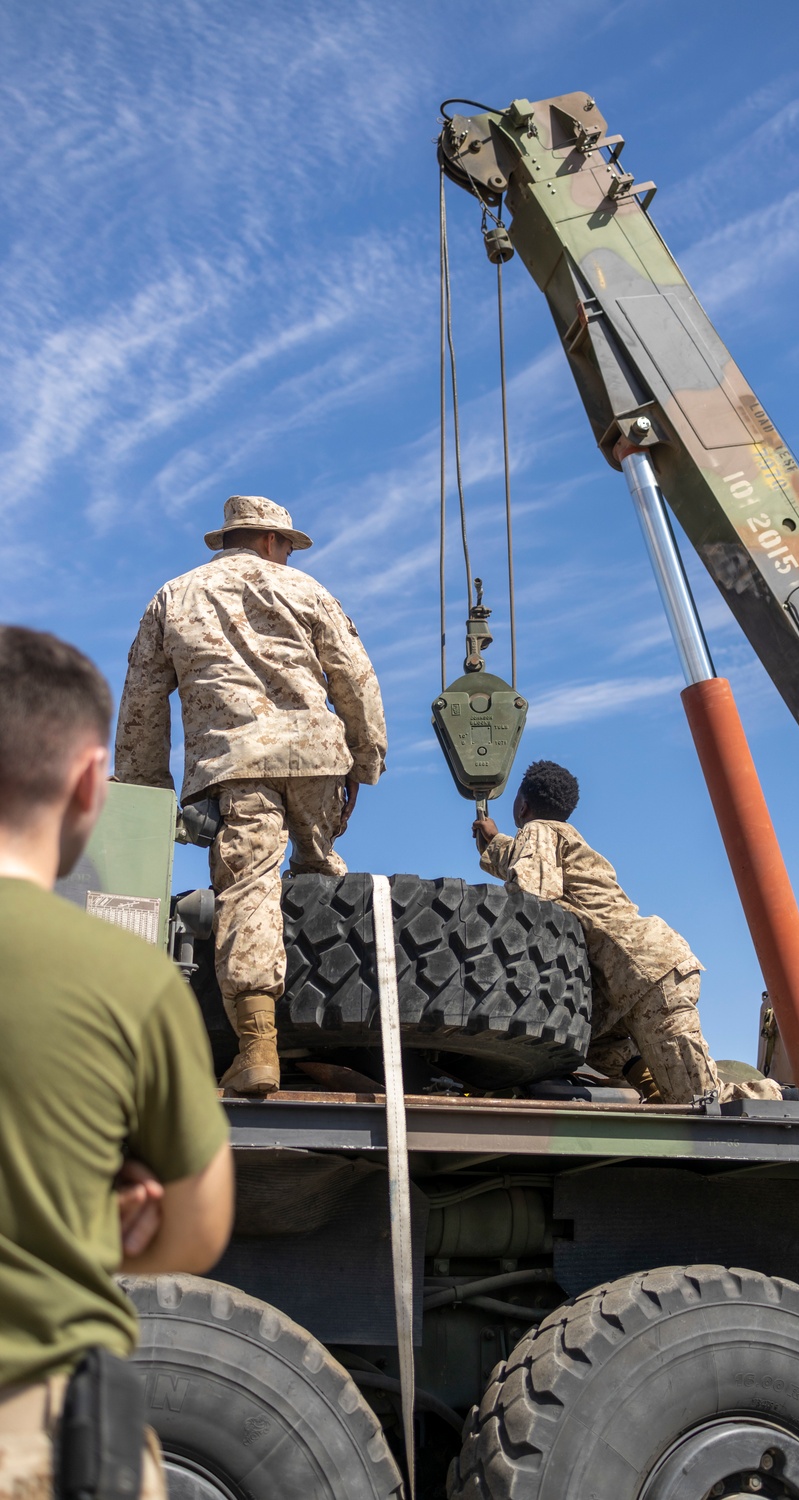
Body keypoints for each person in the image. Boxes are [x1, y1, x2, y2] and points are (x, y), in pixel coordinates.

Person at [0, 625, 233, 1499]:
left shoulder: (176, 604)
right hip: (33, 1439)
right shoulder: (127, 980)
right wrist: (85, 1219)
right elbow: (198, 1228)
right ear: (89, 784)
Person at [115, 494, 387, 1097]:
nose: (288, 554)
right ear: (268, 540)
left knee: (249, 887)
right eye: (286, 544)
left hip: (235, 763)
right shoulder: (308, 592)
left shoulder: (174, 595)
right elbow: (355, 676)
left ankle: (257, 1048)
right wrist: (364, 761)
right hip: (317, 757)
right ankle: (339, 1005)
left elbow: (142, 700)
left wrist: (145, 792)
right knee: (318, 868)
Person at [473, 760, 799, 1106]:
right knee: (590, 1045)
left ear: (522, 806)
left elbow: (533, 896)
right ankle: (655, 1087)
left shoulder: (540, 833)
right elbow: (539, 872)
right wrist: (495, 848)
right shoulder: (560, 839)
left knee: (703, 1100)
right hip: (623, 989)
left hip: (646, 975)